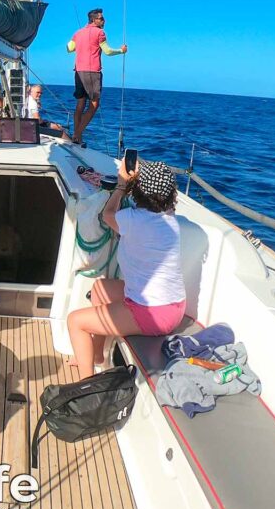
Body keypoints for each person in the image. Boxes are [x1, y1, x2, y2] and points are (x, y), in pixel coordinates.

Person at [65, 157, 185, 380]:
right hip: (174, 307)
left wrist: (121, 184)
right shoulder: (170, 219)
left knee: (75, 321)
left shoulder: (131, 219)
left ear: (138, 190)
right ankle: (98, 355)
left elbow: (106, 214)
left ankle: (87, 385)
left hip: (153, 314)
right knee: (100, 288)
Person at [67, 8, 127, 145]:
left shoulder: (78, 33)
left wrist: (82, 46)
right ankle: (77, 134)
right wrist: (121, 51)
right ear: (94, 20)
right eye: (101, 18)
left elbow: (69, 48)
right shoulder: (100, 33)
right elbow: (107, 51)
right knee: (94, 104)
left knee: (80, 103)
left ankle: (77, 137)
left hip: (78, 71)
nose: (104, 20)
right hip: (92, 72)